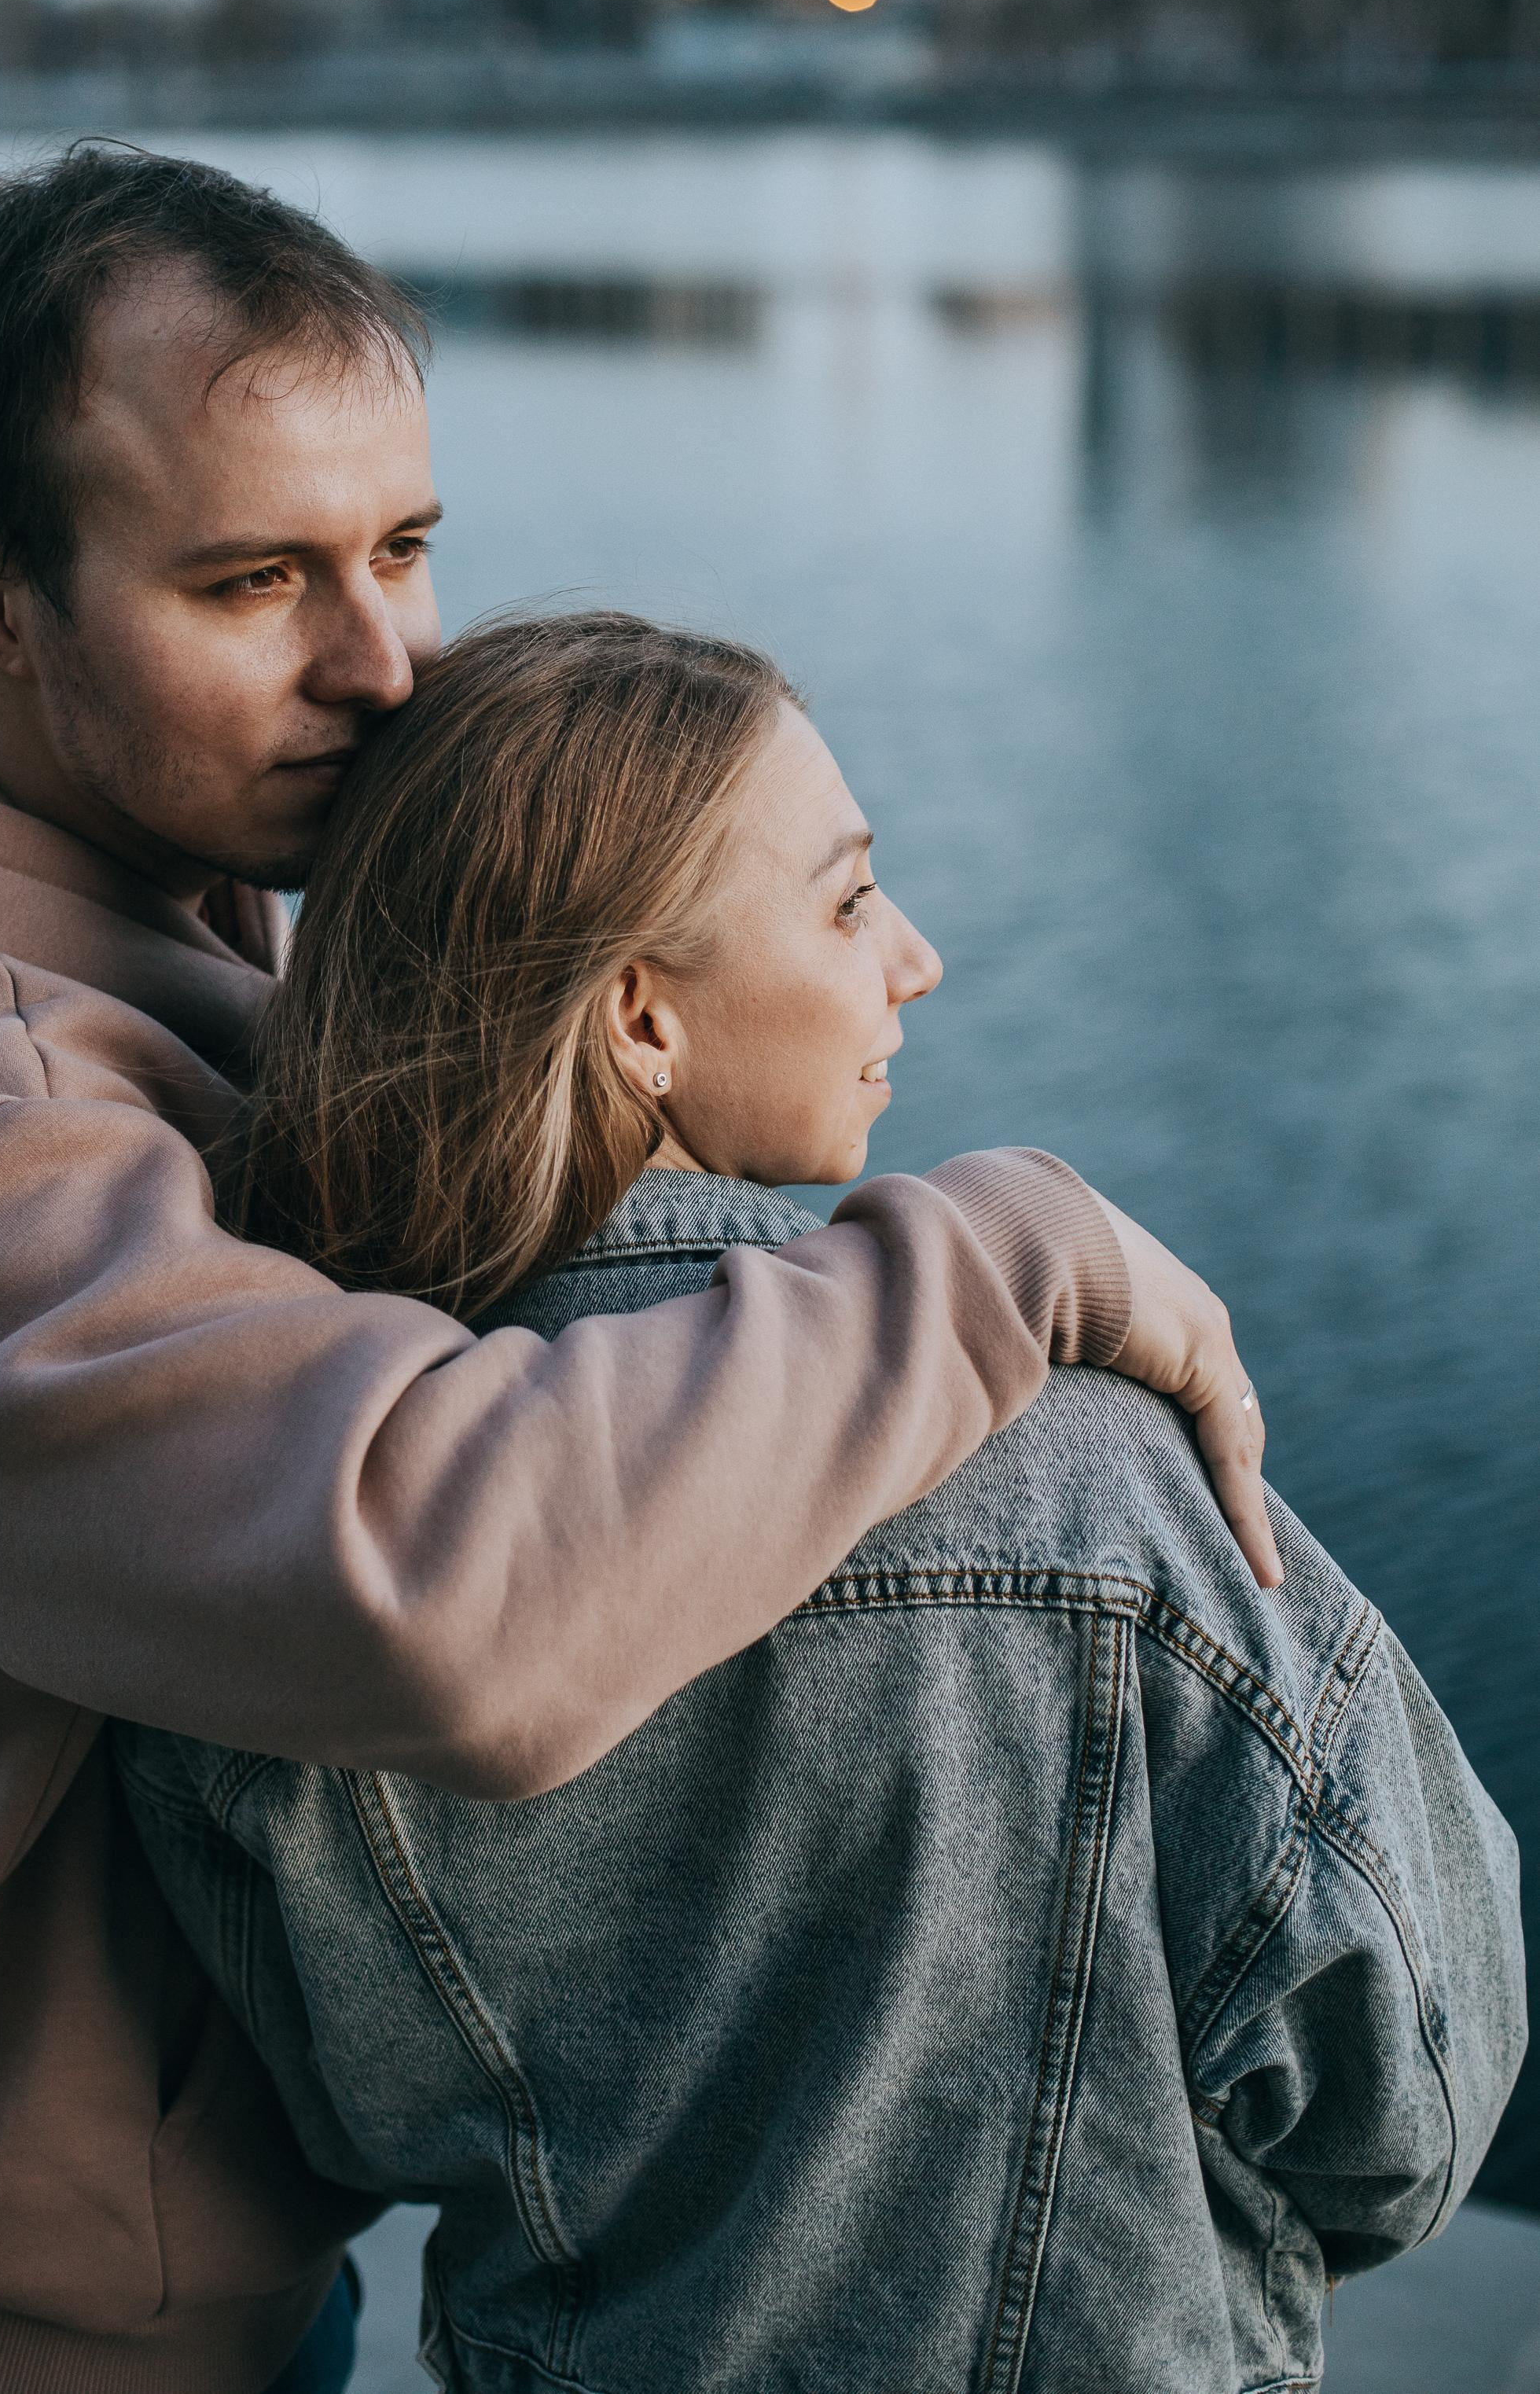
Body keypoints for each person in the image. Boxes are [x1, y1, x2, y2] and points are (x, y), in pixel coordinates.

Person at [0, 147, 1272, 2394]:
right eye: (251, 581)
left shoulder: (117, 852)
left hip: (160, 2262)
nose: (384, 663)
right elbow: (436, 1583)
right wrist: (990, 1256)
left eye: (399, 548)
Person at [118, 612, 1526, 2394]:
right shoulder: (1095, 1480)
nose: (917, 958)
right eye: (851, 901)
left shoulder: (288, 1512)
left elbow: (332, 2114)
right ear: (642, 1016)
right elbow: (1415, 2095)